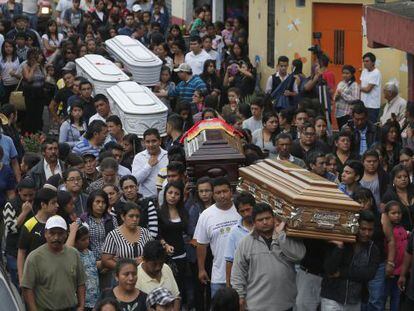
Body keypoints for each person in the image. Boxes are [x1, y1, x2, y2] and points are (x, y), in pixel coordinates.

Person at [231, 202, 305, 311]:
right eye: (260, 220)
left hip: (285, 304)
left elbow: (299, 256)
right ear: (254, 222)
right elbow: (238, 272)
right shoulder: (245, 243)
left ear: (274, 218)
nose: (265, 222)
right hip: (256, 306)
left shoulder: (286, 237)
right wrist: (240, 296)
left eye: (268, 218)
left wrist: (280, 236)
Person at [21, 215, 86, 311]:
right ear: (45, 234)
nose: (56, 237)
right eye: (52, 233)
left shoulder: (74, 254)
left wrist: (81, 306)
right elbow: (27, 288)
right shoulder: (34, 258)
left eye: (60, 233)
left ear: (66, 234)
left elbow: (81, 283)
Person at [320, 210, 380, 311]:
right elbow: (330, 270)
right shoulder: (341, 241)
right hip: (332, 298)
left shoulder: (373, 249)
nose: (367, 233)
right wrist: (339, 247)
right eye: (363, 229)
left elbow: (369, 274)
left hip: (354, 301)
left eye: (370, 230)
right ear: (356, 226)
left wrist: (341, 272)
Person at [194, 177, 241, 298]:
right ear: (213, 195)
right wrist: (201, 269)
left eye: (225, 191)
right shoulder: (206, 215)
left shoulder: (241, 210)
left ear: (231, 191)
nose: (222, 195)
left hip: (243, 274)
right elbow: (201, 245)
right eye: (218, 193)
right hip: (219, 276)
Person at [157, 181, 188, 304]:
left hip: (181, 254)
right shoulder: (159, 212)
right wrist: (164, 244)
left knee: (180, 286)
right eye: (170, 193)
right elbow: (156, 234)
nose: (173, 196)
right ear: (165, 194)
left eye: (176, 194)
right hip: (165, 257)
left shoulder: (183, 211)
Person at [3, 178, 36, 288]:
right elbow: (11, 228)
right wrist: (24, 213)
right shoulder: (10, 205)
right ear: (19, 192)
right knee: (18, 284)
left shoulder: (38, 203)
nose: (28, 198)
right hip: (14, 251)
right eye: (25, 195)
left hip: (32, 250)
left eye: (31, 195)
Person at [102, 201, 153, 270]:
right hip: (123, 276)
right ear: (123, 216)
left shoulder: (145, 233)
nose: (134, 219)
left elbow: (153, 253)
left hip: (144, 275)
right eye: (131, 216)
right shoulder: (113, 235)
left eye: (137, 216)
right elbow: (106, 260)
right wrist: (125, 267)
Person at [136, 240, 181, 311]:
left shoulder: (166, 268)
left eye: (161, 263)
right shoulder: (136, 277)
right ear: (144, 259)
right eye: (154, 264)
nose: (158, 267)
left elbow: (176, 297)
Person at [224, 192, 255, 287]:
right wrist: (228, 284)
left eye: (248, 209)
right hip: (243, 282)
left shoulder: (263, 227)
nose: (246, 214)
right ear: (238, 212)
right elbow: (229, 259)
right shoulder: (234, 232)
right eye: (242, 211)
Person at [381, 201, 407, 311]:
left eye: (399, 213)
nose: (397, 215)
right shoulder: (386, 231)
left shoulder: (403, 229)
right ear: (386, 215)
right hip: (389, 271)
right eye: (393, 213)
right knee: (383, 297)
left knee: (396, 298)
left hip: (400, 272)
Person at [132, 128, 168, 199]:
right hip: (145, 200)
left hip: (165, 199)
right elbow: (135, 181)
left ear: (160, 141)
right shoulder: (139, 157)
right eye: (148, 142)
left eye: (154, 141)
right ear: (144, 143)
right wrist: (148, 166)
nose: (151, 145)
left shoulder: (167, 156)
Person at [381, 164, 414, 231]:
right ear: (393, 180)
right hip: (399, 235)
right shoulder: (388, 196)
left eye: (405, 176)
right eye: (399, 177)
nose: (403, 179)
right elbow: (384, 220)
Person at [21, 47, 46, 134]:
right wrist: (33, 68)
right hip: (30, 93)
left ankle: (38, 132)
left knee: (38, 114)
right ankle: (29, 133)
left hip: (40, 93)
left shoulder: (41, 66)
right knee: (30, 113)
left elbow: (44, 78)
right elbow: (29, 79)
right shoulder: (25, 66)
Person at [360, 52, 382, 123]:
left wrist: (356, 87)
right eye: (364, 61)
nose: (365, 63)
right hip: (363, 104)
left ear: (373, 62)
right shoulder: (364, 71)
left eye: (367, 61)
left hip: (372, 106)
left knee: (371, 128)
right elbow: (362, 86)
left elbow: (367, 89)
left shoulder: (376, 73)